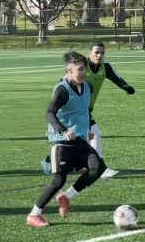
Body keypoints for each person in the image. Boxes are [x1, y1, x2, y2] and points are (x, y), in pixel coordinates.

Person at [26, 51, 107, 227]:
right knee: (58, 180)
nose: (83, 73)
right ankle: (34, 214)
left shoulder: (88, 87)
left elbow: (84, 110)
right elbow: (49, 113)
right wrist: (63, 131)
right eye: (79, 70)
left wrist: (87, 129)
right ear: (69, 71)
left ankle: (66, 197)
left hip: (80, 140)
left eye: (84, 69)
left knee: (97, 169)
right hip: (62, 142)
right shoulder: (62, 90)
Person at [41, 41, 134, 179]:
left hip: (85, 110)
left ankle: (49, 162)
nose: (99, 55)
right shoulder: (80, 67)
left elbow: (116, 77)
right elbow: (64, 83)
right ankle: (101, 170)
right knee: (95, 133)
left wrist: (126, 87)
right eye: (96, 52)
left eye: (102, 52)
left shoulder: (105, 67)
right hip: (72, 111)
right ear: (89, 53)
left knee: (77, 139)